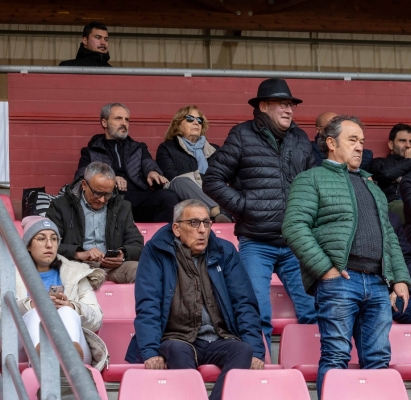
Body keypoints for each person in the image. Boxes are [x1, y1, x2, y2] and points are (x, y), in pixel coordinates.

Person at [282, 115, 411, 398]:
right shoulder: (310, 179)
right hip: (340, 280)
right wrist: (324, 269)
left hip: (378, 284)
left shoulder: (372, 186)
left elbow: (388, 235)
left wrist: (400, 277)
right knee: (336, 356)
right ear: (331, 143)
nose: (359, 147)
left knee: (378, 360)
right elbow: (293, 226)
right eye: (352, 140)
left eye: (362, 141)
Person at [203, 78, 317, 346]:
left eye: (291, 105)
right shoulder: (242, 134)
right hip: (256, 241)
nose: (289, 110)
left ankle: (312, 367)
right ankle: (258, 370)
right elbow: (213, 180)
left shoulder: (300, 138)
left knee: (312, 309)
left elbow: (315, 183)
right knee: (257, 312)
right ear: (264, 106)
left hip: (296, 242)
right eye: (282, 104)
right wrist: (244, 207)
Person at [126, 200, 264, 400]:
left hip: (220, 338)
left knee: (244, 350)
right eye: (194, 223)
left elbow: (244, 303)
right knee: (176, 349)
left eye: (206, 223)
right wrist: (150, 352)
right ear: (176, 228)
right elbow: (149, 305)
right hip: (177, 338)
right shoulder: (156, 251)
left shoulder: (224, 251)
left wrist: (257, 353)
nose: (202, 230)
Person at [10, 216, 108, 370]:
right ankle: (46, 360)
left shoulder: (76, 273)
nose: (49, 244)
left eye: (54, 239)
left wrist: (72, 306)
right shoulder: (9, 274)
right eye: (41, 239)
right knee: (37, 313)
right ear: (28, 245)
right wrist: (30, 305)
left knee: (67, 312)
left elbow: (96, 318)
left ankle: (67, 360)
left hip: (75, 346)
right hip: (25, 346)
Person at [76, 103, 180, 223]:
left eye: (127, 120)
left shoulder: (138, 148)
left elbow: (148, 163)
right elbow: (80, 177)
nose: (124, 123)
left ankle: (162, 239)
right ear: (104, 123)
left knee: (168, 196)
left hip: (139, 197)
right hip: (109, 198)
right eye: (118, 118)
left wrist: (153, 172)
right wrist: (109, 178)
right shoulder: (91, 151)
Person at [47, 162, 144, 284]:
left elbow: (137, 244)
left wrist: (122, 254)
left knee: (143, 271)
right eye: (97, 193)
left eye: (108, 194)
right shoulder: (61, 206)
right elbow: (49, 244)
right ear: (84, 185)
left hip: (112, 267)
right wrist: (79, 254)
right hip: (76, 264)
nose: (102, 200)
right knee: (73, 275)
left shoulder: (122, 207)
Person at [156, 106, 231, 222]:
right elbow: (170, 175)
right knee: (179, 181)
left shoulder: (215, 150)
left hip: (211, 187)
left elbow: (224, 174)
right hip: (185, 188)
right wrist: (200, 178)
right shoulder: (167, 148)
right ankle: (216, 212)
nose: (196, 122)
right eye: (190, 119)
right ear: (178, 124)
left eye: (199, 120)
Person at [370, 123, 411, 224]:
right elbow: (386, 174)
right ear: (391, 144)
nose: (408, 145)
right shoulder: (380, 162)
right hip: (394, 203)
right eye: (402, 140)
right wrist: (409, 161)